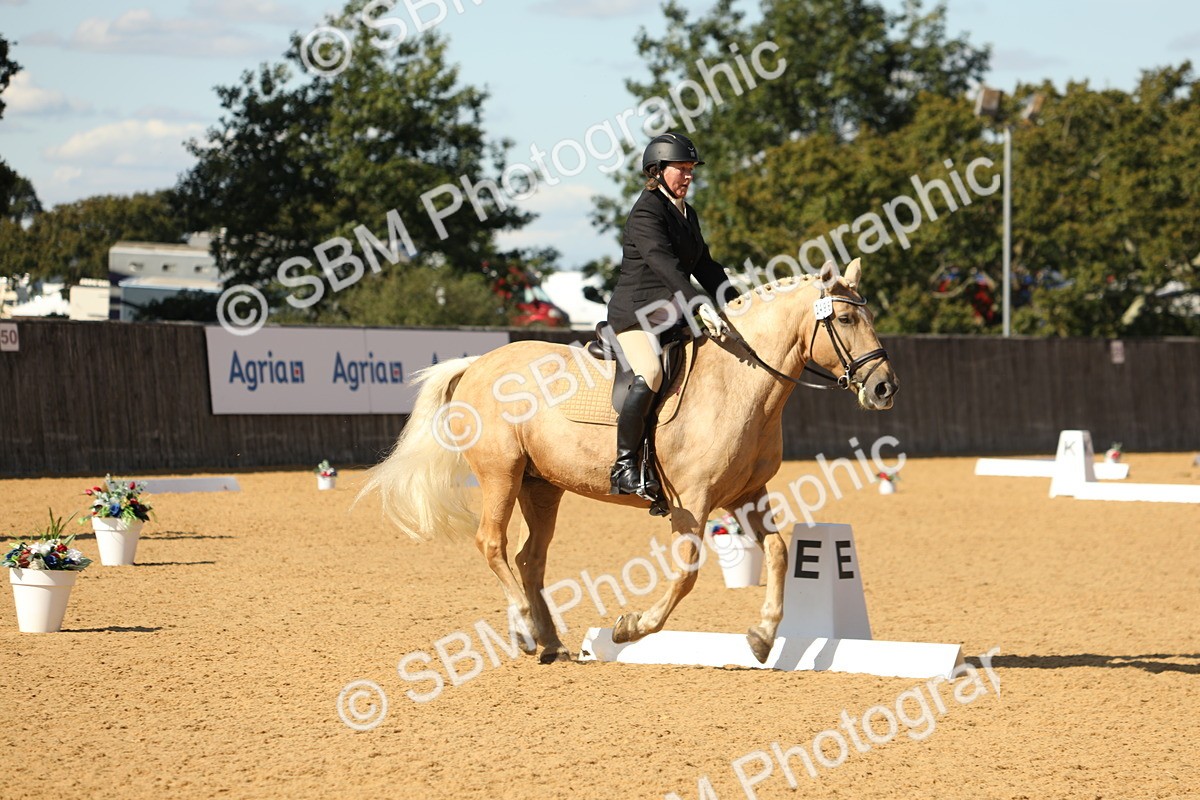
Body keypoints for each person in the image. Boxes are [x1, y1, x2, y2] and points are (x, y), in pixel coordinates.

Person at [605, 132, 736, 501]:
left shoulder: (686, 213)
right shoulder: (646, 212)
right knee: (651, 372)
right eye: (681, 168)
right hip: (636, 314)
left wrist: (737, 303)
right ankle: (625, 465)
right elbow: (665, 266)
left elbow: (705, 266)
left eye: (691, 169)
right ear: (657, 170)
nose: (689, 176)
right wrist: (698, 304)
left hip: (672, 314)